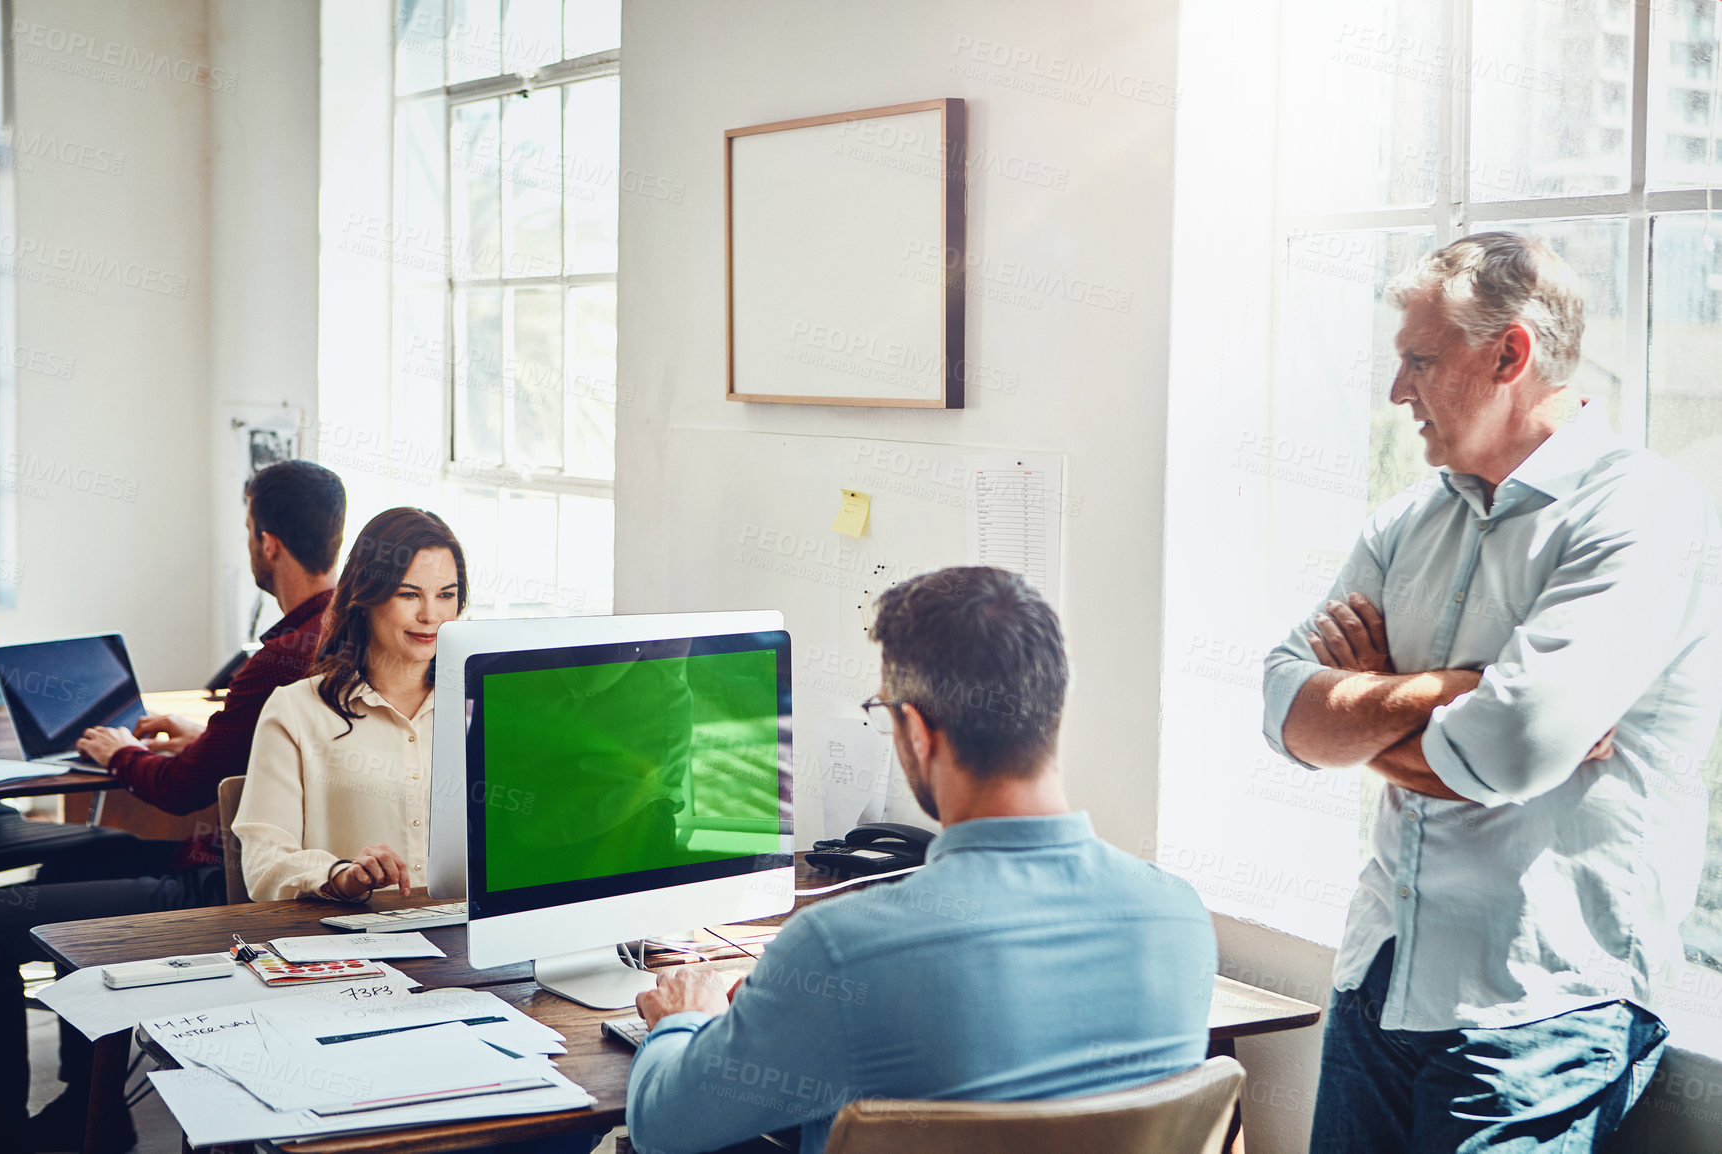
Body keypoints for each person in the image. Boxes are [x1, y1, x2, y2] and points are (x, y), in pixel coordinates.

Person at [1262, 232, 1722, 1152]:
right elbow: (1286, 711)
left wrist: (1373, 706)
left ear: (1509, 352)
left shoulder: (1642, 512)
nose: (1398, 394)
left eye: (1419, 361)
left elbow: (1508, 747)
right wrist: (1462, 692)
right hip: (1379, 983)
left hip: (1542, 1010)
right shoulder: (1406, 520)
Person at [625, 566, 1217, 1154]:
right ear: (1053, 710)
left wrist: (686, 1016)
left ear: (916, 730)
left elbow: (662, 1128)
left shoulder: (838, 950)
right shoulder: (1179, 917)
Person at [0, 458, 345, 1154]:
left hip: (216, 890)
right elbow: (259, 749)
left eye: (248, 531)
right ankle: (85, 1108)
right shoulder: (335, 631)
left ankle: (4, 1133)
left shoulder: (276, 660)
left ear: (267, 542)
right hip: (249, 872)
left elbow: (181, 792)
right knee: (65, 879)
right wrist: (198, 735)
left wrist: (118, 751)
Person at [233, 506, 464, 903]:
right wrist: (339, 875)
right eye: (409, 594)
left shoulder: (480, 708)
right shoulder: (295, 711)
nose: (431, 615)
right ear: (366, 598)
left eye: (446, 595)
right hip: (352, 948)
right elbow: (263, 864)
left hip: (468, 945)